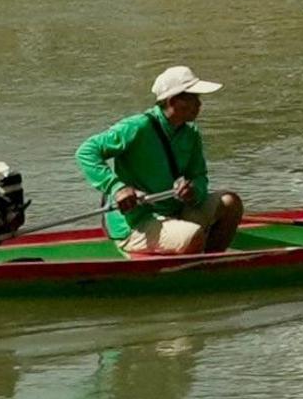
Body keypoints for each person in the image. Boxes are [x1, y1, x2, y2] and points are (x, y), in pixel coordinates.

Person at [78, 66, 245, 257]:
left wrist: (193, 192)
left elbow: (198, 176)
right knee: (192, 236)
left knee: (230, 203)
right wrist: (117, 188)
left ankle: (210, 263)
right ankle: (190, 260)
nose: (199, 104)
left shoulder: (191, 133)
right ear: (174, 101)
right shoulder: (136, 127)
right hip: (137, 222)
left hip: (175, 211)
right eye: (193, 98)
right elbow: (86, 151)